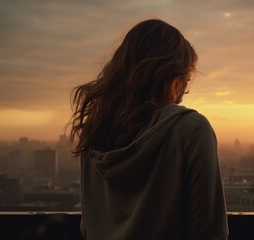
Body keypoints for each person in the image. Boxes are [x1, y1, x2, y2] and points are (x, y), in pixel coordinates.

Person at [68, 19, 229, 240]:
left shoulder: (94, 133)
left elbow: (88, 228)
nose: (183, 95)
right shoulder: (190, 130)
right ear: (172, 78)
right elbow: (209, 232)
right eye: (184, 80)